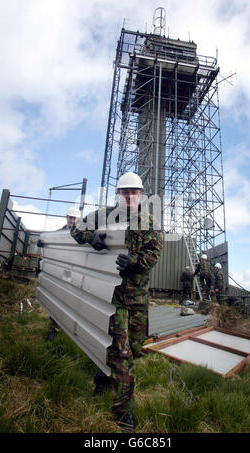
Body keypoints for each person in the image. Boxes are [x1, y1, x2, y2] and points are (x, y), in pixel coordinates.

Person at [70, 172, 163, 432]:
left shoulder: (150, 222)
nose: (129, 196)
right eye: (125, 192)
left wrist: (134, 262)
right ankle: (124, 413)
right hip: (112, 296)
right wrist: (92, 238)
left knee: (134, 349)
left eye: (134, 192)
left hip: (138, 298)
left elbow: (154, 253)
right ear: (119, 194)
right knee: (123, 355)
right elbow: (76, 228)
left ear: (141, 194)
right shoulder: (104, 216)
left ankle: (103, 373)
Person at [47, 206, 81, 341]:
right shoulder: (58, 234)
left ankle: (73, 331)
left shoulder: (82, 234)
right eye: (70, 217)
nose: (72, 220)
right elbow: (50, 245)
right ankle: (54, 329)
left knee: (73, 302)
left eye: (75, 218)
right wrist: (43, 243)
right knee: (57, 299)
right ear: (66, 217)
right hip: (60, 271)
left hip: (76, 272)